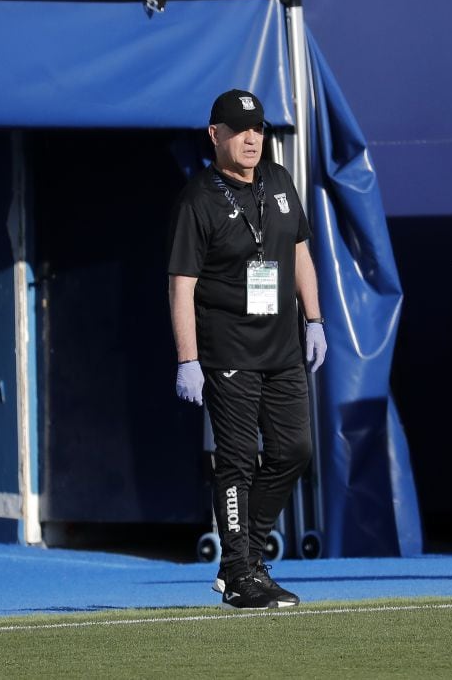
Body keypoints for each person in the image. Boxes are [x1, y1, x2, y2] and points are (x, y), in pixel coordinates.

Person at [167, 89, 326, 608]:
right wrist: (188, 359)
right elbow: (182, 284)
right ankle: (241, 574)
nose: (252, 138)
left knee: (293, 451)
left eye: (258, 128)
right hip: (228, 349)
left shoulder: (279, 181)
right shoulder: (198, 199)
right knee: (236, 461)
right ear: (216, 136)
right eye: (239, 130)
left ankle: (242, 560)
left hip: (282, 347)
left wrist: (316, 319)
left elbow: (300, 253)